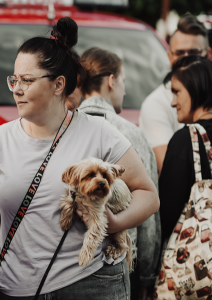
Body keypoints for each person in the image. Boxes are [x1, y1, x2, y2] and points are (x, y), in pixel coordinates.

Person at [0, 17, 159, 300]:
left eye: (27, 80)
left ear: (58, 84)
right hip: (13, 289)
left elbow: (149, 195)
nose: (17, 89)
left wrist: (114, 222)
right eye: (14, 80)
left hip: (91, 284)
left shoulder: (98, 132)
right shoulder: (0, 139)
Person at [78, 47, 161, 300]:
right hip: (120, 261)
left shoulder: (65, 128)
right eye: (123, 81)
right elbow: (148, 216)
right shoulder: (132, 134)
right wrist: (147, 275)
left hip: (69, 265)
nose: (124, 90)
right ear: (111, 81)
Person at [140, 14, 212, 176]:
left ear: (208, 54)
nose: (186, 60)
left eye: (194, 53)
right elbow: (171, 171)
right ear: (170, 56)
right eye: (180, 53)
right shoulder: (156, 104)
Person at [159, 56, 212, 243]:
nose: (173, 102)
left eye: (177, 92)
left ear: (195, 88)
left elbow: (166, 214)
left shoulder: (187, 140)